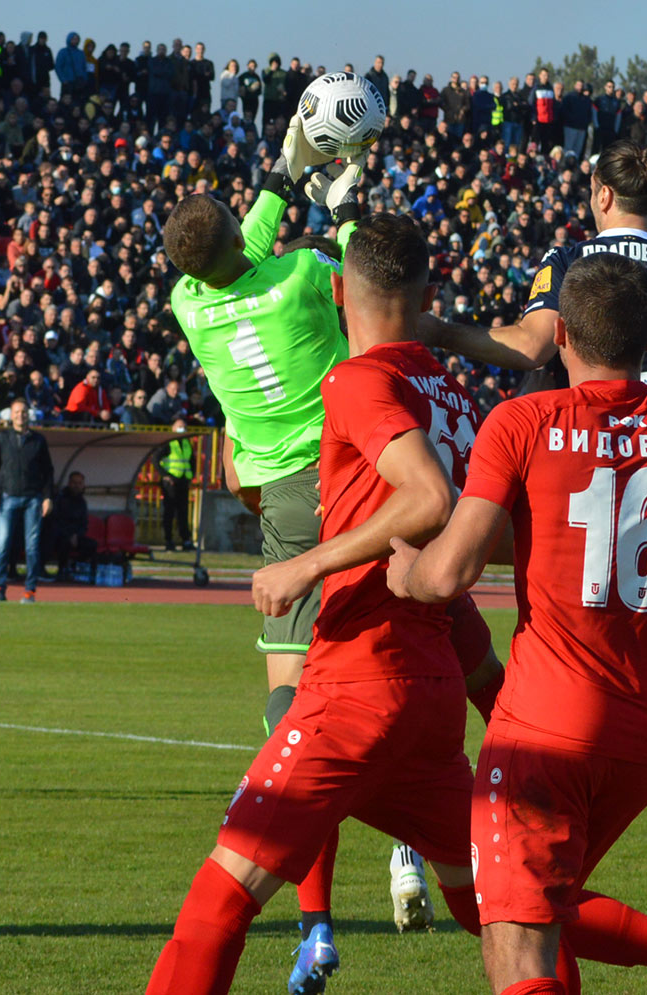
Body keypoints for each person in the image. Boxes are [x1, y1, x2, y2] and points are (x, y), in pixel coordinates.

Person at [387, 252, 647, 995]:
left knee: (514, 938)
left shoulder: (521, 421)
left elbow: (451, 570)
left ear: (559, 335)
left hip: (546, 726)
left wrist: (407, 572)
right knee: (543, 913)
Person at [146, 212, 481, 995]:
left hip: (357, 682)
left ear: (340, 290)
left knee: (217, 896)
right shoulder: (449, 391)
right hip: (432, 690)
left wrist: (304, 566)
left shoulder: (353, 381)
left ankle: (317, 923)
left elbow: (427, 497)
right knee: (513, 910)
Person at [417, 140, 647, 617]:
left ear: (602, 196)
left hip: (586, 444)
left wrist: (439, 332)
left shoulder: (571, 261)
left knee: (558, 574)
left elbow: (532, 346)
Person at [0, 398, 54, 604]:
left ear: (28, 415)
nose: (20, 415)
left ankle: (30, 590)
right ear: (10, 415)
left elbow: (48, 471)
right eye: (16, 412)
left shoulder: (39, 440)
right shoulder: (1, 438)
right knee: (2, 544)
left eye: (23, 412)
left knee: (32, 546)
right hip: (8, 497)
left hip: (33, 498)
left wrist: (48, 496)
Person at [156, 414, 195, 551]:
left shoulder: (186, 442)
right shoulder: (168, 442)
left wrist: (191, 476)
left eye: (183, 426)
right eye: (179, 426)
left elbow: (192, 461)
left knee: (183, 512)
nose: (182, 429)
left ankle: (186, 541)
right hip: (170, 482)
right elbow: (156, 460)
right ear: (172, 427)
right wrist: (165, 476)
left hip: (183, 481)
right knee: (169, 512)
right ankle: (169, 540)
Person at [48, 470, 97, 574]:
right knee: (63, 542)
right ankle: (62, 570)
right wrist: (69, 534)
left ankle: (76, 565)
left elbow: (84, 523)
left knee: (92, 545)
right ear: (69, 483)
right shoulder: (60, 498)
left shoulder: (82, 502)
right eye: (74, 483)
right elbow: (56, 520)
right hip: (60, 535)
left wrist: (76, 535)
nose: (77, 486)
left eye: (79, 483)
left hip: (76, 535)